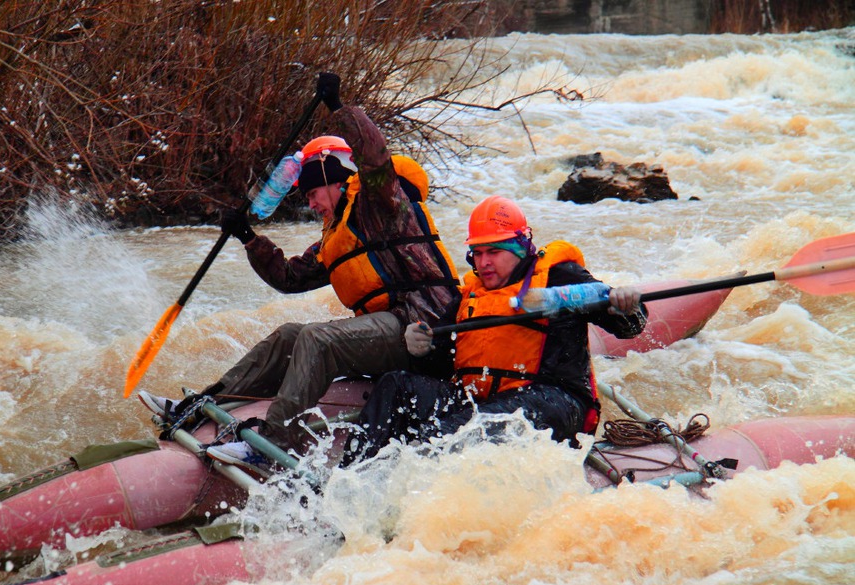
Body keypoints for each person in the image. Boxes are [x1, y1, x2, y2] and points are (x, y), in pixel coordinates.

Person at [139, 72, 460, 476]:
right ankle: (204, 405)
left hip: (425, 329)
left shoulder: (381, 203)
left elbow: (375, 154)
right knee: (291, 334)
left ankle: (271, 445)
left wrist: (338, 109)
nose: (309, 204)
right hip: (388, 329)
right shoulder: (334, 235)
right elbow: (290, 278)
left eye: (311, 194)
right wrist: (248, 237)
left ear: (333, 180)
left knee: (317, 339)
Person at [340, 195, 647, 467]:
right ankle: (350, 481)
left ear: (519, 247)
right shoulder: (470, 296)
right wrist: (420, 349)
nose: (483, 263)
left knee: (446, 432)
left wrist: (626, 306)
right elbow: (442, 365)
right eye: (477, 252)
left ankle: (424, 465)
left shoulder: (559, 278)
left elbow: (629, 326)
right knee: (397, 385)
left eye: (493, 251)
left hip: (553, 402)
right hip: (481, 401)